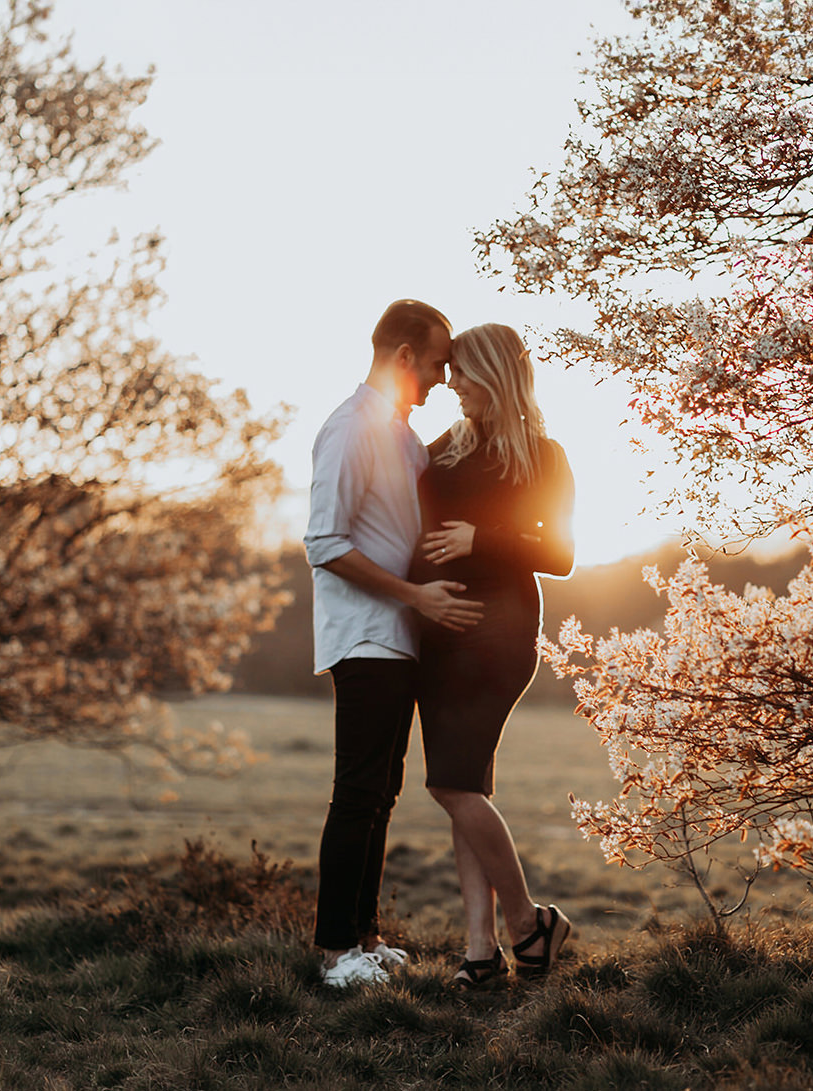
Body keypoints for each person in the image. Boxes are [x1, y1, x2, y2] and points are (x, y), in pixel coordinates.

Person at [304, 299, 485, 988]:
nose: (443, 374)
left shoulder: (404, 435)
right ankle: (332, 951)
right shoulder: (350, 428)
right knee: (357, 791)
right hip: (365, 636)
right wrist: (415, 597)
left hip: (400, 639)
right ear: (405, 355)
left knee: (381, 790)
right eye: (438, 360)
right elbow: (323, 541)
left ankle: (364, 935)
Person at [408, 323, 576, 987]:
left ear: (496, 374)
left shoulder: (543, 455)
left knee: (447, 783)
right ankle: (480, 951)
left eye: (462, 373)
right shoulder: (443, 449)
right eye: (446, 372)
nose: (450, 385)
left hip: (499, 633)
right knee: (466, 786)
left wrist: (485, 535)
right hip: (439, 632)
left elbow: (559, 554)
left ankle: (525, 921)